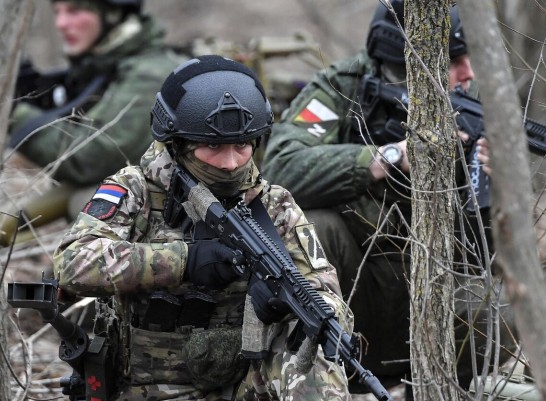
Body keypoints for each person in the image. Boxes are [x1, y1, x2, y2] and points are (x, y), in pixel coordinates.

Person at [260, 0, 517, 394]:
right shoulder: (343, 88)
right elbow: (281, 168)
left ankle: (432, 390)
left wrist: (489, 188)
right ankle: (314, 384)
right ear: (406, 62)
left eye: (470, 59)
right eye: (453, 61)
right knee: (315, 228)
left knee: (499, 304)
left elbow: (476, 261)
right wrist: (388, 157)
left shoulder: (469, 108)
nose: (468, 74)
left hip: (425, 293)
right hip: (349, 291)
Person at [53, 55, 353, 400]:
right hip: (147, 388)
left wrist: (284, 304)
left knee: (314, 347)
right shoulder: (135, 191)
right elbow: (71, 263)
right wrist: (184, 261)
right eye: (212, 146)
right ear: (178, 144)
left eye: (241, 145)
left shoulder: (273, 205)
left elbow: (326, 292)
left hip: (243, 384)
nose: (230, 163)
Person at [0, 0, 187, 246]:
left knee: (87, 201)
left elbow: (90, 159)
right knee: (12, 222)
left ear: (112, 13)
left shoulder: (149, 73)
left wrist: (13, 114)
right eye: (57, 11)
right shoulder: (106, 64)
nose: (61, 23)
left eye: (74, 10)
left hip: (187, 213)